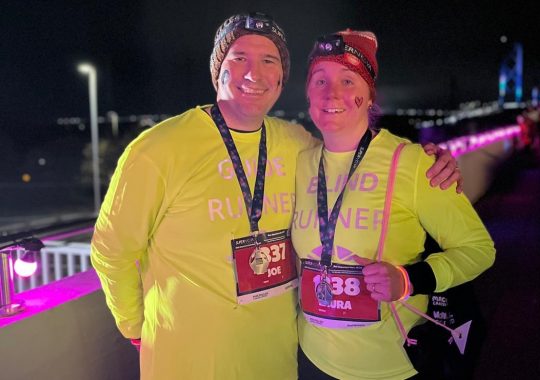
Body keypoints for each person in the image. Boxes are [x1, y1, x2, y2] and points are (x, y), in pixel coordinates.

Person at [90, 13, 462, 380]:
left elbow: (357, 159)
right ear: (217, 68)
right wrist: (135, 328)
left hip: (277, 359)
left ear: (282, 78)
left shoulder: (296, 142)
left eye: (269, 60)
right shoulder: (158, 150)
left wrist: (431, 162)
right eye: (239, 58)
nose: (255, 73)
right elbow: (112, 250)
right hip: (190, 361)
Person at [292, 30, 496, 379]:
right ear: (308, 94)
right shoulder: (298, 161)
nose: (332, 92)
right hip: (312, 360)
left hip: (391, 368)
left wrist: (408, 279)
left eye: (347, 79)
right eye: (319, 80)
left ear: (369, 96)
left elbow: (479, 249)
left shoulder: (413, 163)